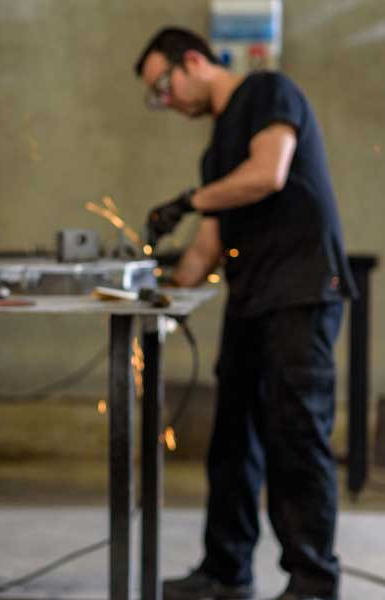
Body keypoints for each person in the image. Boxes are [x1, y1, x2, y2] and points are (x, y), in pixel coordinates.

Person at [135, 27, 355, 600]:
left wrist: (187, 200)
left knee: (295, 437)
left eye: (163, 86)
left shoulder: (267, 92)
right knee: (231, 440)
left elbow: (267, 174)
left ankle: (313, 581)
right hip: (252, 299)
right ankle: (226, 571)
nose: (166, 101)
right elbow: (210, 240)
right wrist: (158, 281)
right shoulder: (216, 149)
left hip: (301, 293)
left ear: (192, 61)